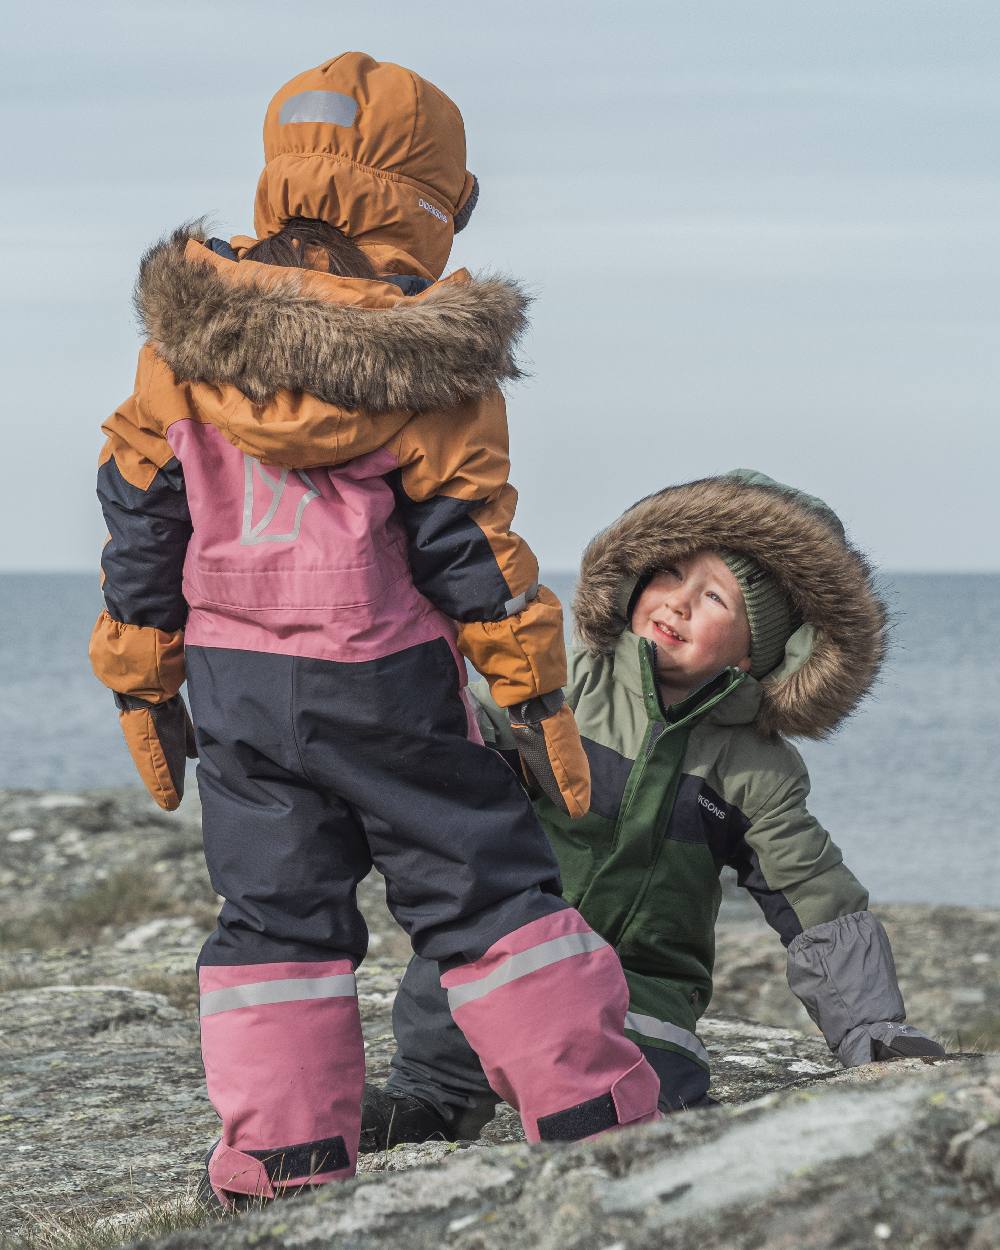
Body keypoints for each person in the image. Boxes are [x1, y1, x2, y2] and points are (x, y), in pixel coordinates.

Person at [88, 52, 661, 1209]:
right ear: (427, 200)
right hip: (384, 677)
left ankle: (283, 1156)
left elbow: (139, 513)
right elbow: (473, 549)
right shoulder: (434, 363)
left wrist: (144, 674)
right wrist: (537, 695)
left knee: (272, 911)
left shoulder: (180, 350)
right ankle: (590, 1109)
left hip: (241, 687)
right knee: (485, 887)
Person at [362, 469, 945, 1149]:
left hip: (641, 997)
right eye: (668, 573)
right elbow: (468, 736)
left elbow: (817, 899)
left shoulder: (757, 771)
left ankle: (629, 1122)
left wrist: (872, 1030)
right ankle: (426, 1102)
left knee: (644, 1100)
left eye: (714, 598)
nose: (677, 603)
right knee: (449, 1005)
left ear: (764, 647)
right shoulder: (561, 684)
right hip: (508, 959)